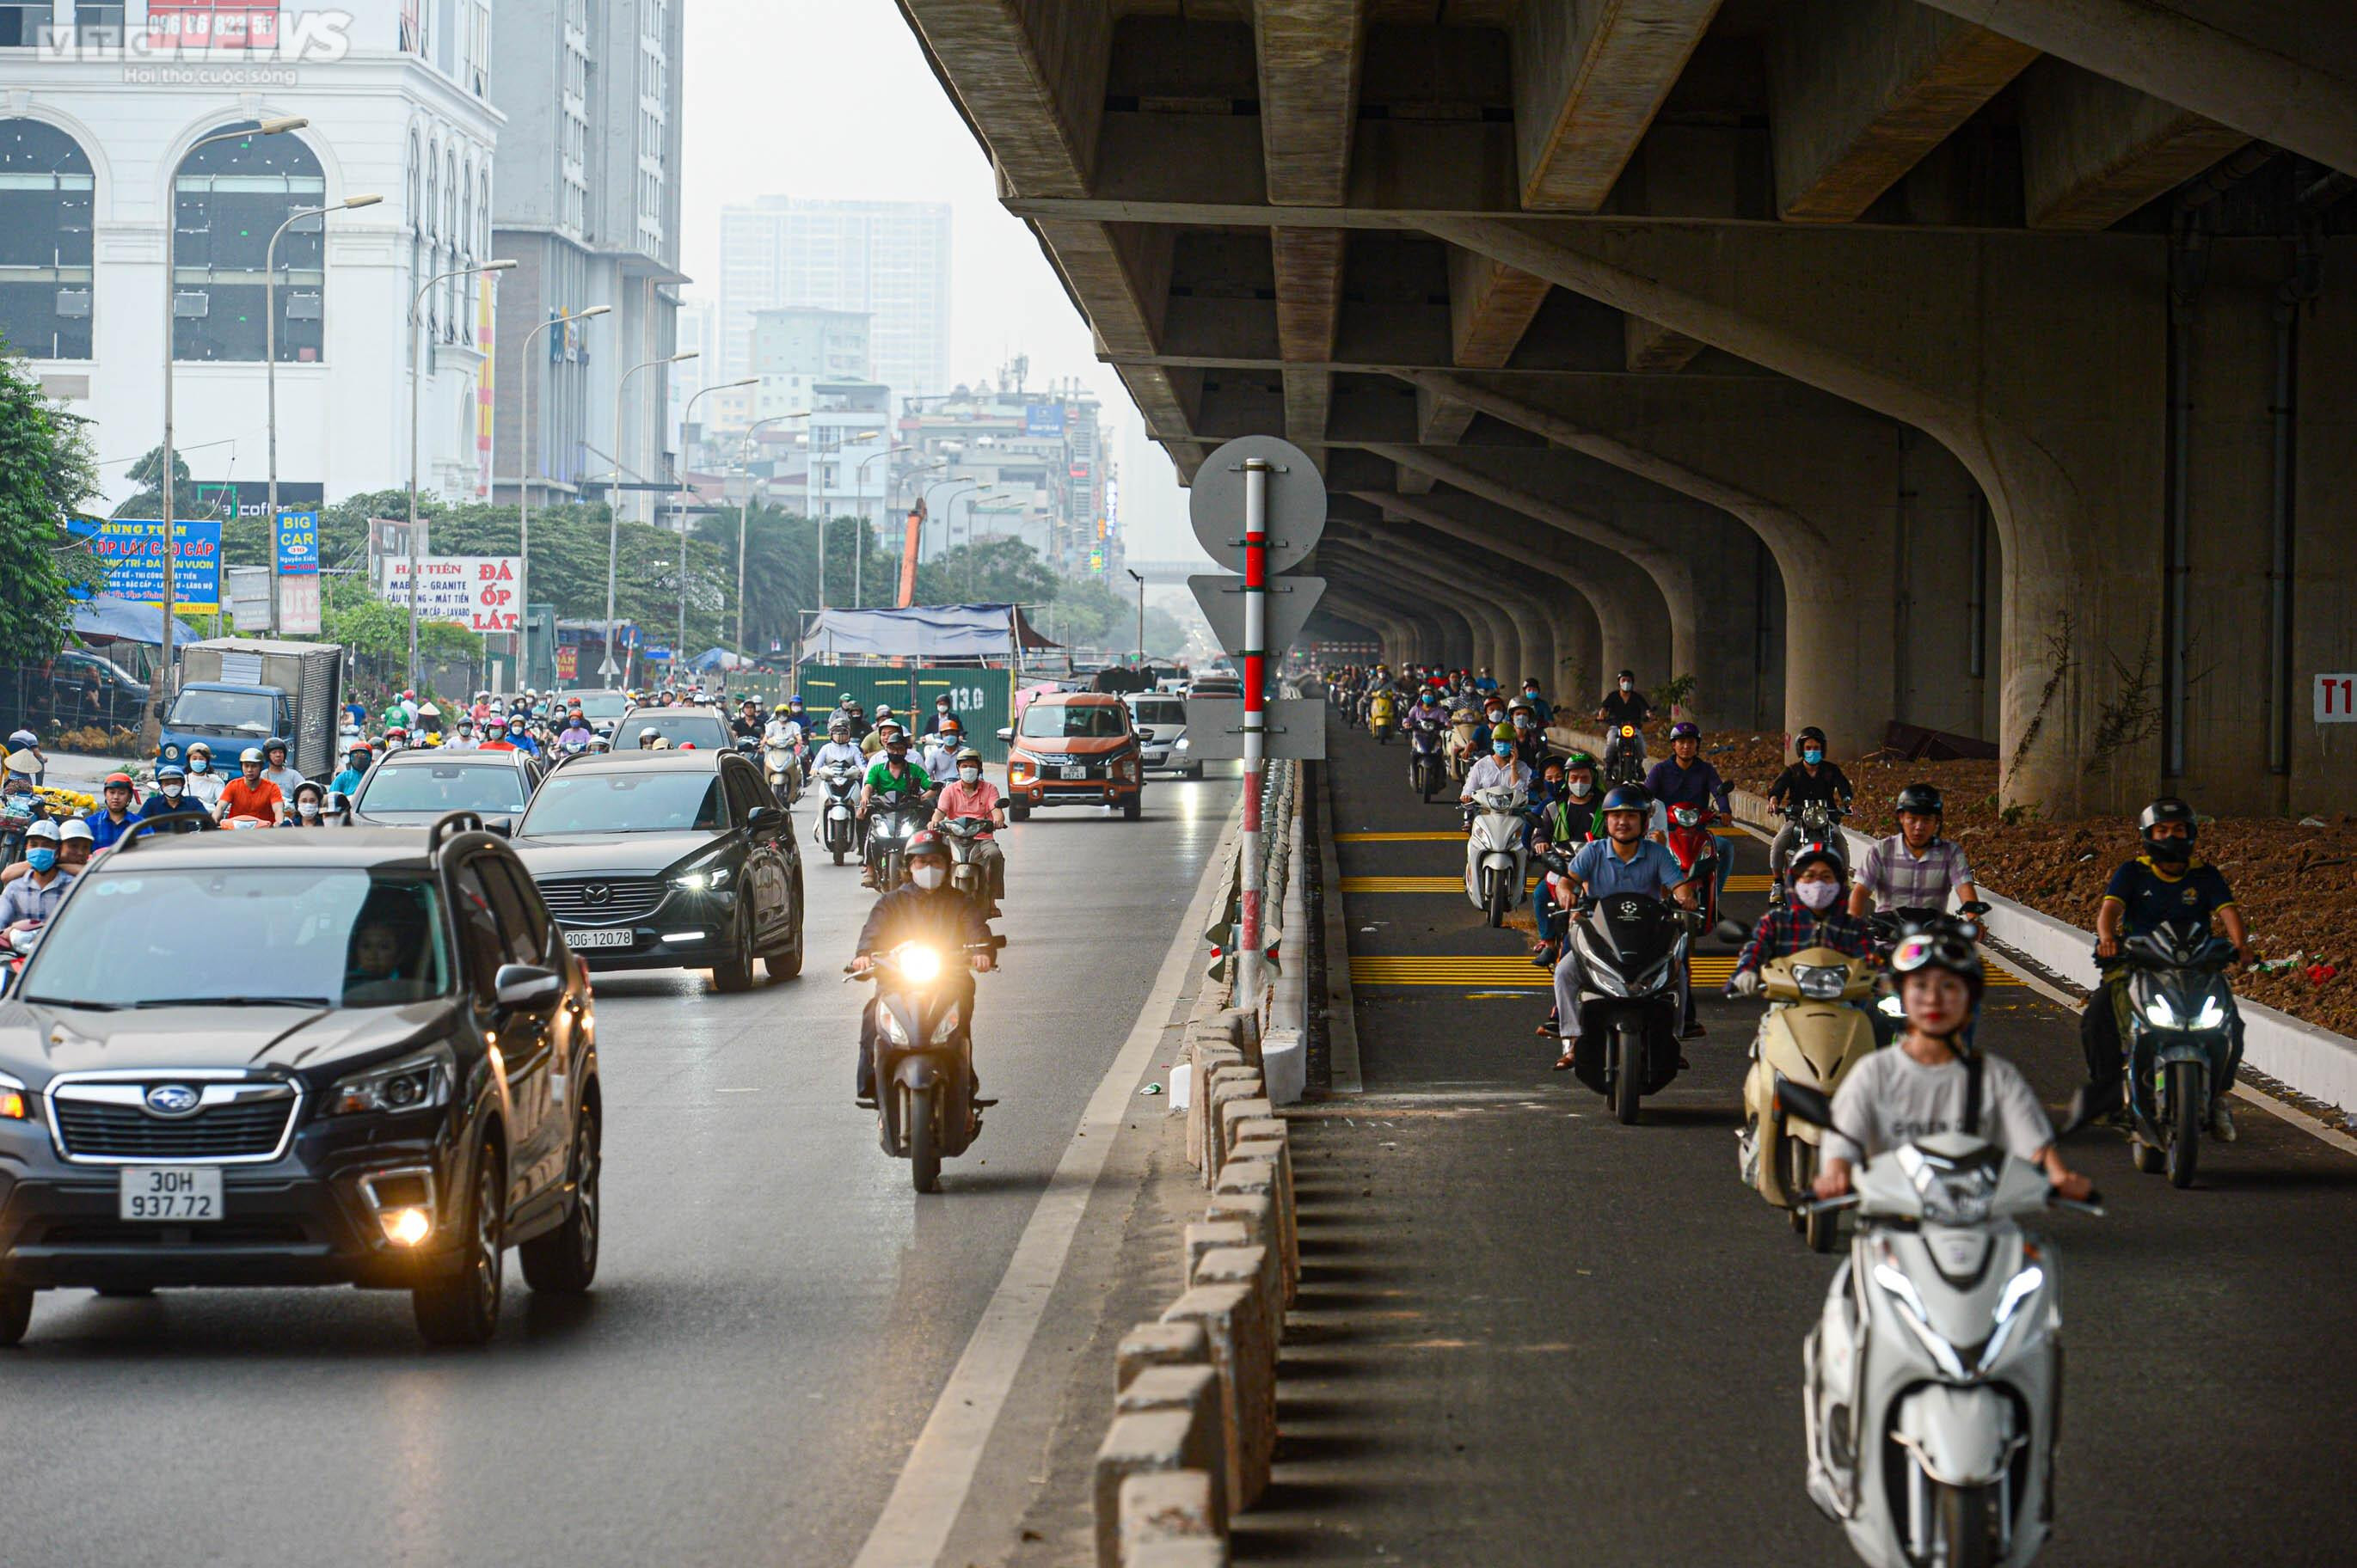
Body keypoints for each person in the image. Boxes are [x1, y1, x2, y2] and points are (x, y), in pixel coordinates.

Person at [1812, 930, 2092, 1203]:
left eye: (1949, 986)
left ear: (1969, 999)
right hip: (1891, 1228)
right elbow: (1843, 1139)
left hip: (1976, 1221)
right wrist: (1835, 1173)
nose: (1934, 998)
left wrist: (2059, 1175)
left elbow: (2032, 1142)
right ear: (1902, 994)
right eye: (1921, 985)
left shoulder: (1995, 1076)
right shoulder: (1873, 1072)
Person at [2080, 797, 2251, 1140]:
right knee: (2097, 1017)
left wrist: (2241, 946)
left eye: (2177, 829)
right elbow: (2109, 912)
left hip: (2198, 967)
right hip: (2136, 964)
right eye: (2162, 830)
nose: (2170, 836)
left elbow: (2228, 913)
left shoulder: (2205, 875)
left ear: (2191, 833)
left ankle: (2218, 1097)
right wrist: (2107, 939)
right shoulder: (2133, 872)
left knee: (2232, 1023)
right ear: (2148, 835)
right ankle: (2110, 1097)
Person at [1544, 785, 1699, 1062]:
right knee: (1564, 971)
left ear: (1643, 821)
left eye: (1630, 816)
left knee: (1679, 966)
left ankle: (1677, 1034)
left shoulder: (1658, 854)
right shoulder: (1593, 851)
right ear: (1606, 821)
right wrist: (1566, 892)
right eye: (1615, 816)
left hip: (1647, 932)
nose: (1622, 822)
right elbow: (1569, 880)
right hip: (1598, 931)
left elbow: (1678, 885)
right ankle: (1570, 1040)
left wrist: (1685, 896)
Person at [849, 830, 995, 1107]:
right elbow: (872, 932)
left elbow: (977, 929)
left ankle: (964, 1086)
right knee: (872, 1016)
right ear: (909, 867)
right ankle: (872, 1082)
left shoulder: (960, 902)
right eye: (921, 862)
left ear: (947, 866)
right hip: (897, 980)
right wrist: (863, 956)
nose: (928, 869)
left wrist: (982, 951)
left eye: (935, 862)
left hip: (949, 979)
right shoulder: (890, 902)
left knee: (959, 1023)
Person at [1729, 842, 1873, 995]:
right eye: (1810, 876)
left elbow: (1871, 959)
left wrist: (1884, 978)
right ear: (1795, 882)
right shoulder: (1776, 922)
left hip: (1845, 1009)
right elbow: (1756, 948)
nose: (1818, 884)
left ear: (1839, 883)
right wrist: (1746, 971)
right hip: (1787, 1005)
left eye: (1826, 876)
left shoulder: (1854, 928)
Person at [1850, 782, 1978, 920]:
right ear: (1901, 818)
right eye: (1912, 819)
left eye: (1926, 820)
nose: (1919, 827)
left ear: (1937, 822)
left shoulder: (1951, 853)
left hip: (1933, 935)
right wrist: (1852, 920)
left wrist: (1974, 919)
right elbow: (1861, 891)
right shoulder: (1881, 850)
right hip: (1889, 935)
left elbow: (1964, 887)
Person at [1644, 720, 1734, 913]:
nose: (1686, 746)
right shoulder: (1660, 770)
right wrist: (1645, 810)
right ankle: (1651, 900)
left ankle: (1713, 900)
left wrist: (1725, 810)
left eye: (1691, 742)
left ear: (1697, 745)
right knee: (1647, 853)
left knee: (1726, 848)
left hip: (1698, 833)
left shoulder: (1706, 770)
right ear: (1673, 745)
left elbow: (1719, 791)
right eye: (1681, 742)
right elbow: (1645, 795)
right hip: (1667, 832)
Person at [1765, 727, 1855, 901]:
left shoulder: (1831, 770)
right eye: (1808, 748)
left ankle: (1843, 883)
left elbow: (1844, 787)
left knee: (1840, 841)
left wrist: (1849, 801)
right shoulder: (1792, 771)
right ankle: (1777, 882)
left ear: (1823, 749)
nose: (1813, 751)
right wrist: (1774, 800)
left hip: (1826, 817)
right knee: (1779, 842)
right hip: (1797, 817)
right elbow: (1778, 788)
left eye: (1816, 748)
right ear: (1801, 750)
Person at [931, 748, 1010, 915]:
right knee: (934, 857)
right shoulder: (949, 790)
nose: (968, 769)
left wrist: (998, 820)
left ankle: (992, 899)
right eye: (964, 766)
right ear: (958, 768)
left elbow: (996, 810)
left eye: (972, 766)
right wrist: (934, 822)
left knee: (995, 855)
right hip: (954, 838)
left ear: (979, 768)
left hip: (982, 838)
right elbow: (939, 812)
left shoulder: (989, 789)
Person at [856, 730, 936, 888]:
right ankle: (869, 869)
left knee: (929, 820)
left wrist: (923, 797)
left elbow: (930, 786)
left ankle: (928, 862)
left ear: (906, 751)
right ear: (886, 749)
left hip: (909, 809)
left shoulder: (914, 769)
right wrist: (865, 798)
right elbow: (869, 785)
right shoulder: (878, 769)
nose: (896, 752)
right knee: (865, 822)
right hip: (882, 809)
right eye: (893, 749)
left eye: (900, 749)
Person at [0, 819, 72, 931]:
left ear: (58, 851)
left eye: (46, 845)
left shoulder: (72, 887)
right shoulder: (14, 888)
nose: (39, 850)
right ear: (27, 849)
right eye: (34, 845)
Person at [1458, 724, 1533, 805]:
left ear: (1513, 743)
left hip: (1512, 813)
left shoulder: (1522, 767)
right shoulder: (1482, 765)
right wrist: (1466, 797)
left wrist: (1513, 766)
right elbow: (1469, 788)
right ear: (1493, 742)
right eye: (1499, 741)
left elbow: (1521, 793)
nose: (1503, 744)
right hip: (1486, 811)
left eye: (1507, 741)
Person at [217, 747, 287, 827]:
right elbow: (221, 807)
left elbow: (278, 809)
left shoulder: (272, 787)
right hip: (235, 834)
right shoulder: (233, 785)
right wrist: (212, 821)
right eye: (246, 766)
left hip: (263, 834)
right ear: (242, 767)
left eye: (254, 766)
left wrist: (279, 823)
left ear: (261, 767)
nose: (249, 770)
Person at [84, 771, 142, 850]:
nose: (116, 797)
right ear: (105, 794)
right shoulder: (90, 823)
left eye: (122, 793)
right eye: (112, 792)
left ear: (130, 796)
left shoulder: (140, 825)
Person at [138, 764, 206, 824]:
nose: (171, 786)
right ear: (161, 786)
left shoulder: (194, 802)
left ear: (182, 784)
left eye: (175, 782)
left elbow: (207, 822)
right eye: (167, 784)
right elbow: (138, 824)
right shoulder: (151, 803)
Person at [182, 741, 224, 811]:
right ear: (189, 761)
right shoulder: (182, 780)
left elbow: (221, 804)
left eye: (201, 759)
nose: (197, 761)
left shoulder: (216, 781)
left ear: (207, 761)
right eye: (194, 758)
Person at [260, 737, 305, 801]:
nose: (278, 755)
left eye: (281, 752)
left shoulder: (293, 775)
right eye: (274, 752)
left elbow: (305, 790)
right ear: (268, 755)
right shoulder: (263, 775)